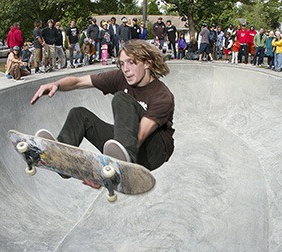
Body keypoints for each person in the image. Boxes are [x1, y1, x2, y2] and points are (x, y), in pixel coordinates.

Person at [30, 39, 175, 180]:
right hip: (126, 145)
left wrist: (106, 171)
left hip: (153, 152)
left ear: (147, 63)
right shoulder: (120, 77)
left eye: (131, 63)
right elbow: (79, 81)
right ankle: (62, 159)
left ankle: (122, 163)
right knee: (79, 114)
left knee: (121, 98)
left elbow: (140, 135)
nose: (126, 69)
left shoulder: (162, 96)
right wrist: (57, 85)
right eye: (122, 64)